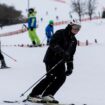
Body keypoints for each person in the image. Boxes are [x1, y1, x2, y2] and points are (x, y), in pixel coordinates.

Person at [27, 20, 81, 103]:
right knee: (50, 77)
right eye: (75, 27)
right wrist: (62, 52)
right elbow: (53, 44)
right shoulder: (60, 33)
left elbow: (71, 55)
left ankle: (47, 95)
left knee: (62, 78)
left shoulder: (74, 40)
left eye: (78, 28)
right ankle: (33, 95)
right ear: (70, 26)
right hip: (51, 59)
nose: (77, 30)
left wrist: (70, 67)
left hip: (60, 62)